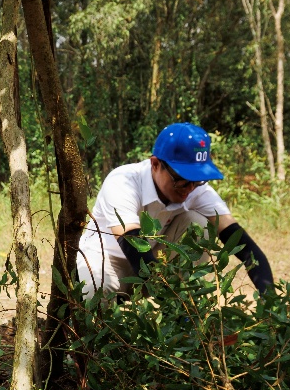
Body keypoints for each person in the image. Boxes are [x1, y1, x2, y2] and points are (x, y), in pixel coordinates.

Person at [75, 122, 274, 299]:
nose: (190, 188)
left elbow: (243, 245)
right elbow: (133, 246)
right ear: (155, 164)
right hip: (107, 262)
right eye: (182, 179)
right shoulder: (123, 181)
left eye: (197, 180)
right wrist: (171, 302)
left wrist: (271, 301)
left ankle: (186, 305)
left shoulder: (195, 188)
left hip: (150, 264)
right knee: (95, 289)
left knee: (200, 225)